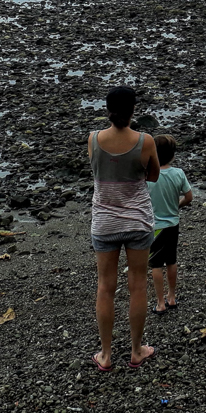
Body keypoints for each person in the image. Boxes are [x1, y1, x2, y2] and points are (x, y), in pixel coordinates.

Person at [88, 86, 160, 371]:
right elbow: (153, 175)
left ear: (108, 109)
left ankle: (105, 355)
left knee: (106, 287)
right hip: (138, 221)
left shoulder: (93, 139)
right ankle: (136, 350)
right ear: (133, 110)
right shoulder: (146, 141)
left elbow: (96, 170)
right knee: (138, 286)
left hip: (104, 222)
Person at [147, 134, 193, 314]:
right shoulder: (178, 173)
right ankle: (172, 297)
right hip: (173, 223)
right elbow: (189, 197)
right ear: (173, 155)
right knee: (171, 261)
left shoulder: (148, 176)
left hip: (155, 226)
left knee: (155, 264)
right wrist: (177, 206)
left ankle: (160, 302)